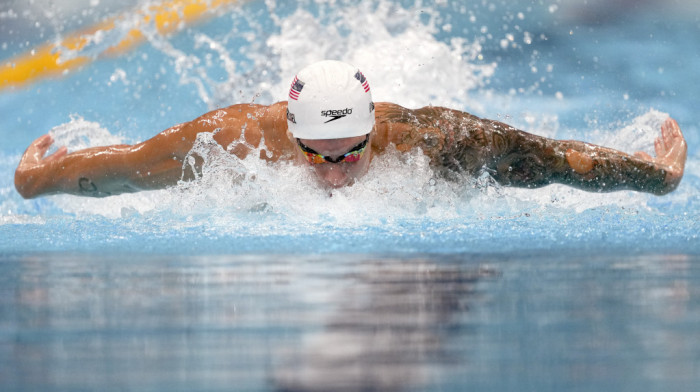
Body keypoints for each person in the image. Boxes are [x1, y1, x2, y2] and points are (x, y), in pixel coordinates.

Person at [15, 60, 687, 199]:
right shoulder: (238, 138)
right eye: (317, 156)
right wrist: (35, 180)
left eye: (349, 155)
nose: (334, 175)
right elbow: (127, 168)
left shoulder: (427, 139)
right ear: (288, 130)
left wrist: (653, 178)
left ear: (375, 131)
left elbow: (554, 161)